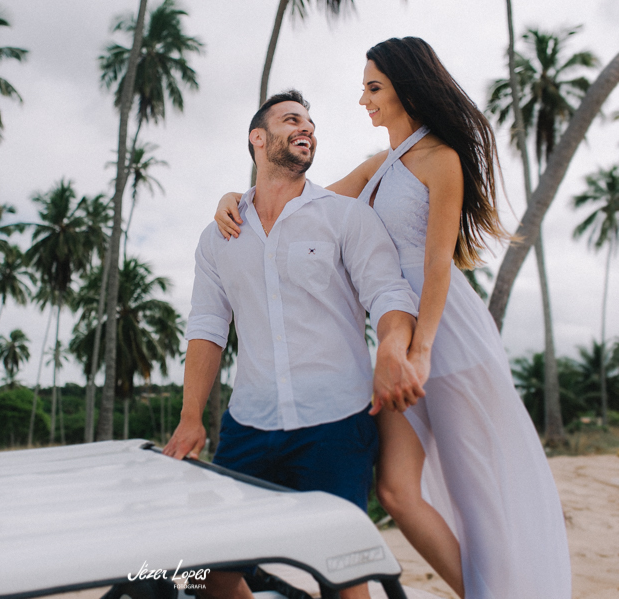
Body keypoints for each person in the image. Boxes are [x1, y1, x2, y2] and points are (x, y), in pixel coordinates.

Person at [214, 38, 572, 599]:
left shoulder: (441, 158)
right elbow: (300, 207)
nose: (363, 100)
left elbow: (437, 266)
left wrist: (420, 350)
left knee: (483, 485)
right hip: (394, 338)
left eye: (373, 87)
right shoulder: (378, 167)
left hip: (447, 338)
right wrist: (235, 196)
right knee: (398, 491)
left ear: (406, 86)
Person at [163, 89, 425, 599]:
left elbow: (389, 293)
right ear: (257, 139)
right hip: (249, 425)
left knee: (342, 575)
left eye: (310, 122)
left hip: (337, 423)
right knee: (213, 573)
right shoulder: (218, 236)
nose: (306, 128)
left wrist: (392, 346)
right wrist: (191, 416)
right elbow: (207, 327)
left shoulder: (345, 217)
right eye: (291, 120)